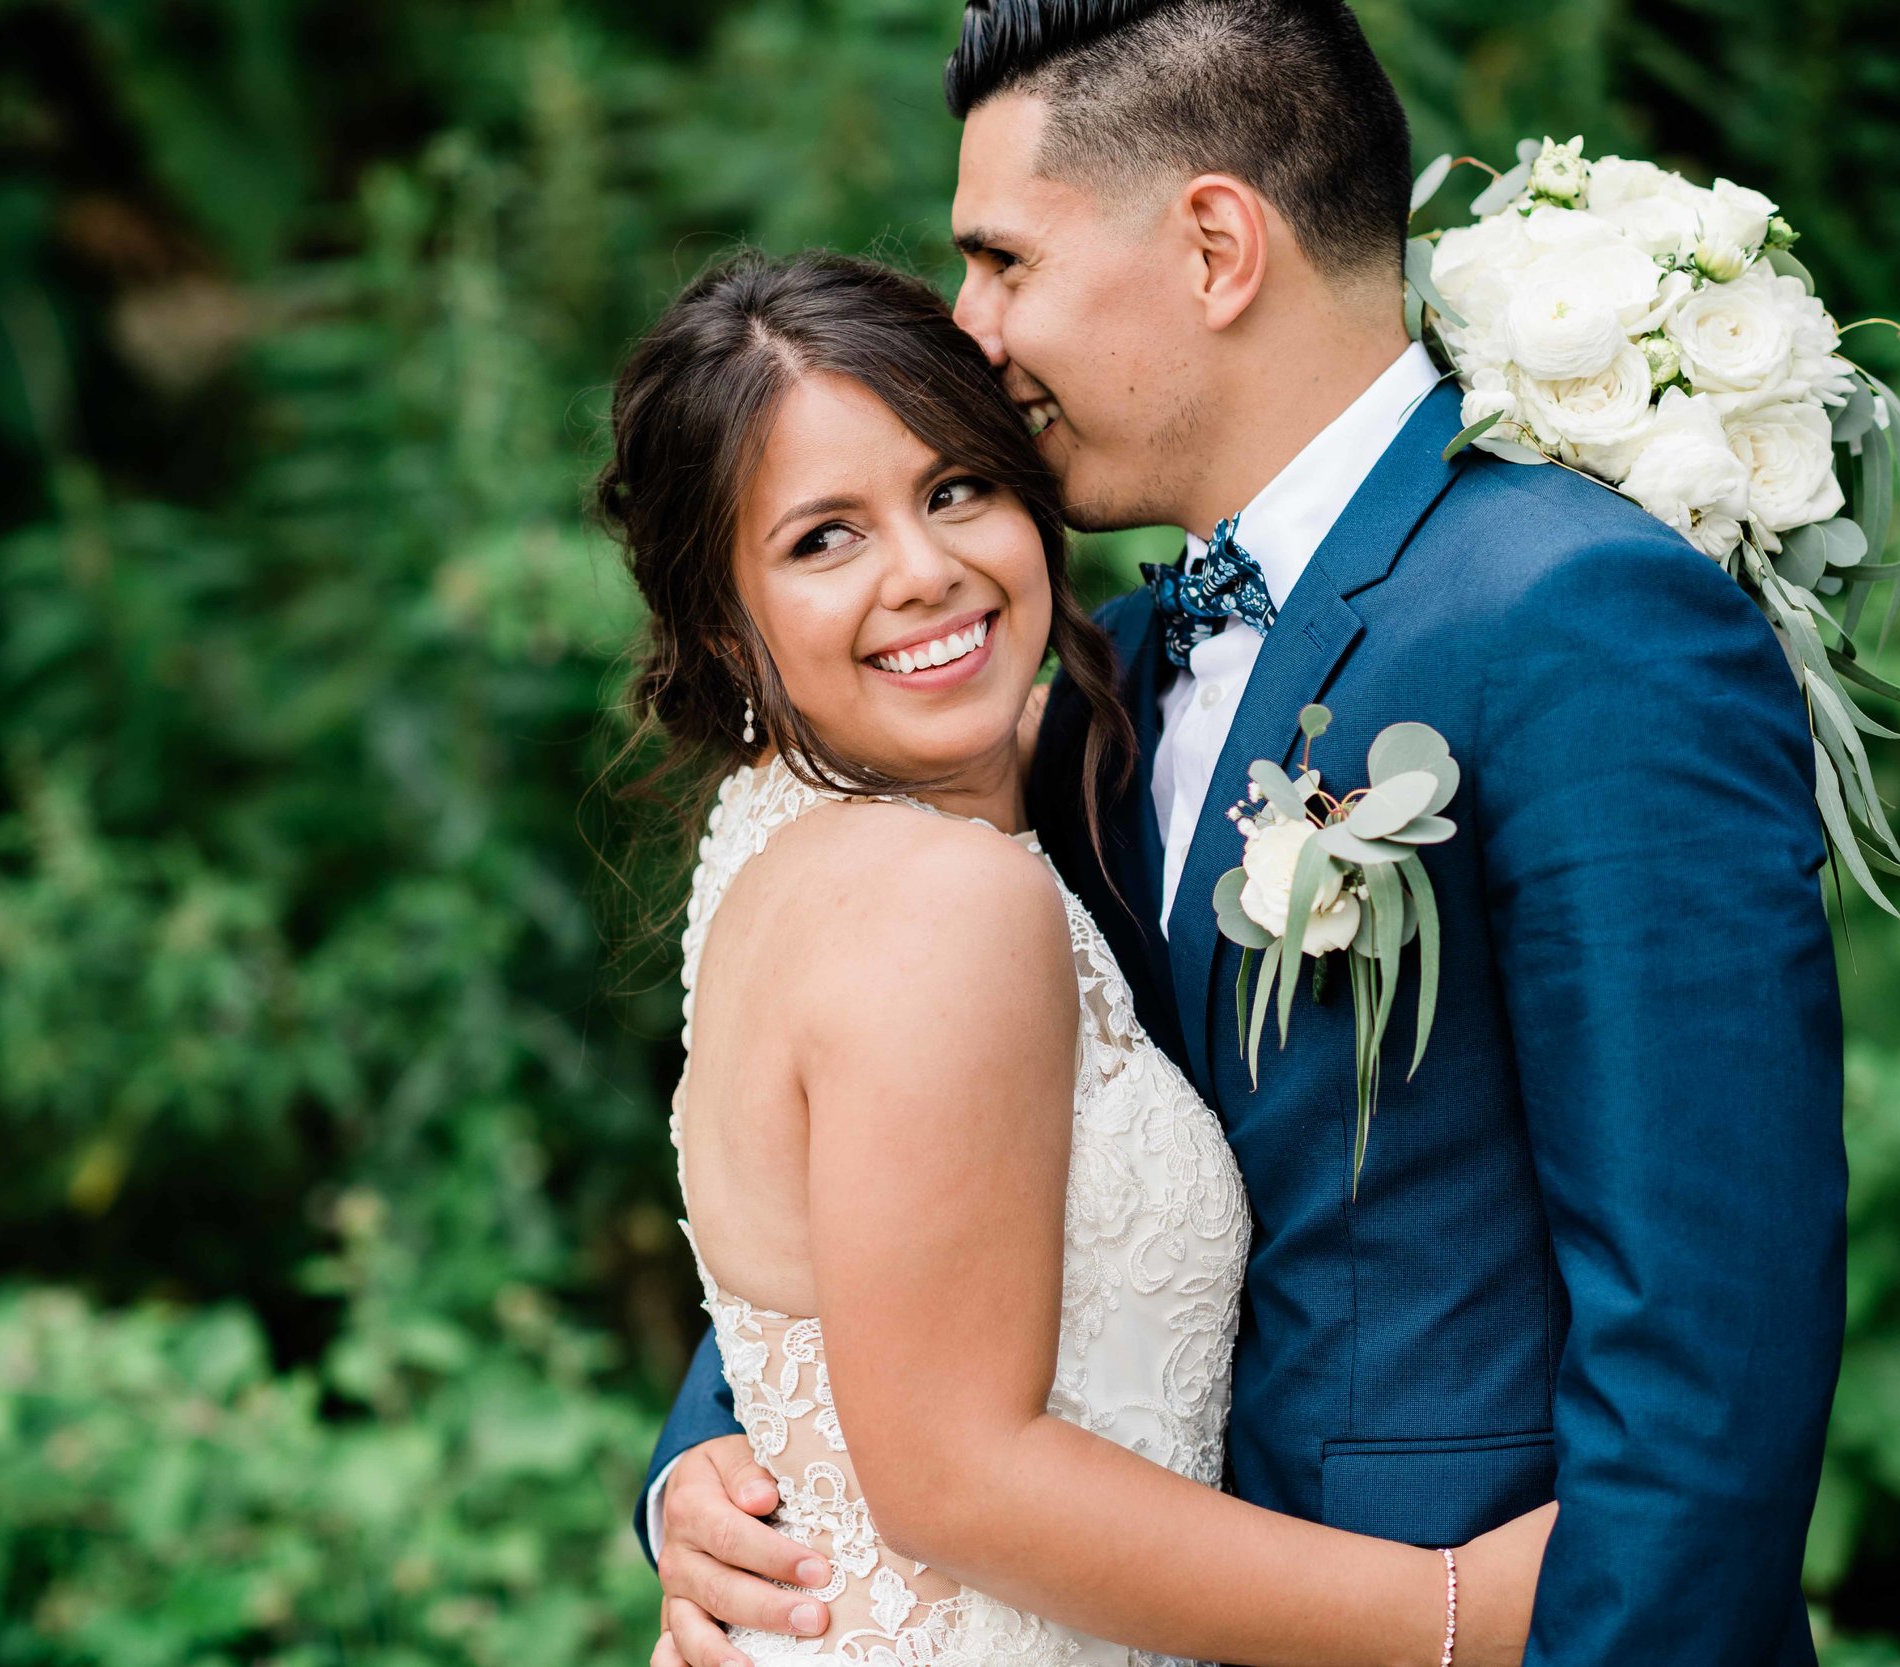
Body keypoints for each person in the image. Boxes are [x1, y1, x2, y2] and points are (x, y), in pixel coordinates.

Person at [640, 4, 1847, 1666]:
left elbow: (1709, 1356)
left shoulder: (1580, 616)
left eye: (1001, 262)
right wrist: (714, 1464)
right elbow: (909, 1159)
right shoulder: (1084, 686)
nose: (972, 333)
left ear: (1215, 245)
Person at [601, 247, 1558, 1666]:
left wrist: (699, 1475)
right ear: (723, 633)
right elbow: (951, 1476)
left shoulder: (797, 831)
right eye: (824, 538)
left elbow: (848, 1289)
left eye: (953, 489)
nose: (925, 574)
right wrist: (1459, 1619)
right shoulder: (940, 896)